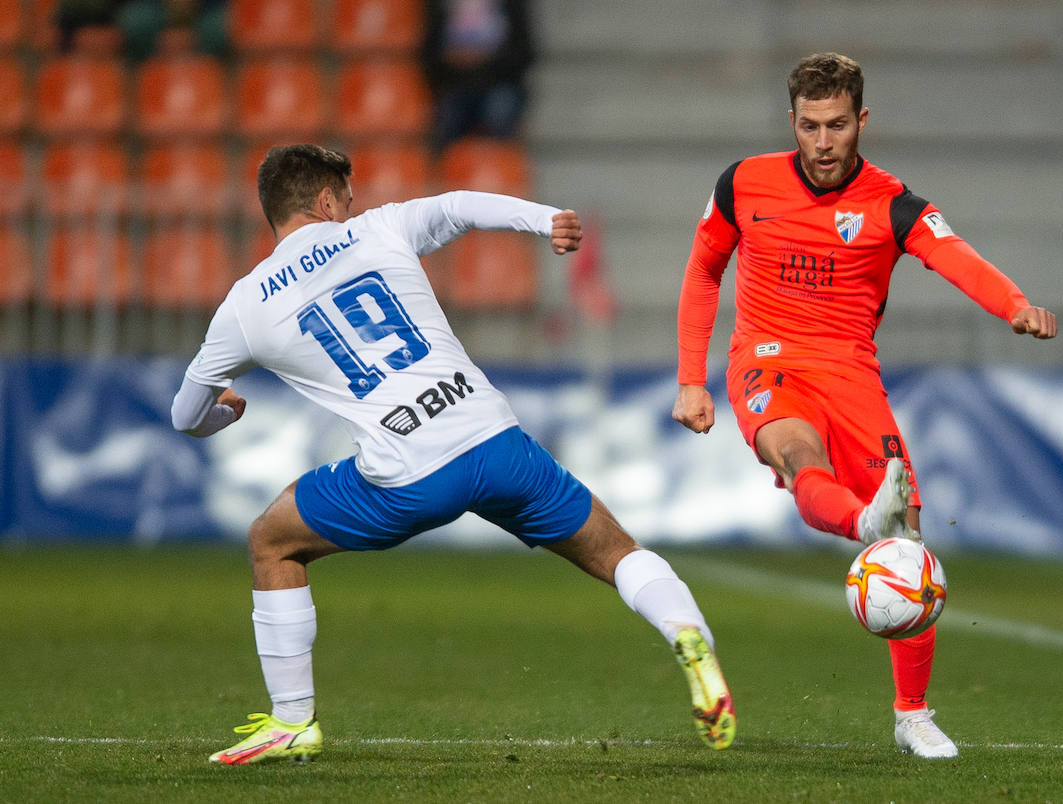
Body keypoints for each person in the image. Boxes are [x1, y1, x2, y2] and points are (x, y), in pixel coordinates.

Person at [171, 144, 735, 764]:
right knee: (615, 550)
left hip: (408, 474)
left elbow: (185, 417)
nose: (353, 207)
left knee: (272, 539)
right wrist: (545, 219)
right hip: (494, 440)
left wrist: (228, 409)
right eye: (347, 199)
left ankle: (292, 721)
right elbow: (460, 205)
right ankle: (688, 633)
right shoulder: (378, 230)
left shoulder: (245, 307)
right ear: (327, 200)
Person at [672, 53, 1057, 758]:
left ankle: (913, 715)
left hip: (851, 373)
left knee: (909, 543)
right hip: (768, 360)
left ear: (862, 121)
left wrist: (1014, 305)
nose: (823, 142)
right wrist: (691, 379)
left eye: (838, 125)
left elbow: (955, 254)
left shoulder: (893, 202)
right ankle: (860, 518)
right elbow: (704, 269)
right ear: (792, 121)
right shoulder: (743, 183)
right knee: (796, 454)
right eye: (811, 126)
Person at [422, 0, 534, 147]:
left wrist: (481, 60)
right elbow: (430, 54)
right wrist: (457, 62)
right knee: (447, 118)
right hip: (455, 85)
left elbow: (523, 53)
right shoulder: (442, 6)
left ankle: (495, 165)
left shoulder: (512, 5)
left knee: (499, 111)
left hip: (499, 83)